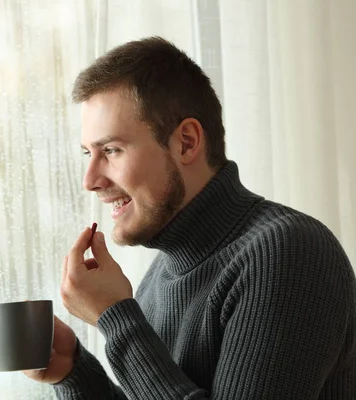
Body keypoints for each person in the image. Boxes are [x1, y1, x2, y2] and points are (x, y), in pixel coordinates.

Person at [23, 36, 356, 399]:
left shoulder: (288, 253)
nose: (90, 180)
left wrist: (117, 318)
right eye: (88, 153)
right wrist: (73, 372)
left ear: (186, 142)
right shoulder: (160, 277)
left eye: (112, 150)